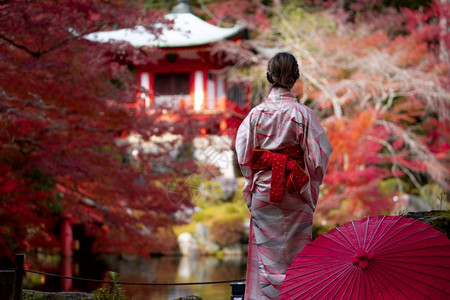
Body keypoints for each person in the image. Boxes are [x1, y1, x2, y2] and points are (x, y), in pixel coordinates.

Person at [235, 52, 333, 300]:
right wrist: (309, 179)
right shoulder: (303, 114)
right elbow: (319, 158)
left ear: (269, 77)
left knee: (265, 258)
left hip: (264, 192)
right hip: (295, 188)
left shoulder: (256, 115)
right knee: (297, 260)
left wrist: (252, 181)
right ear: (296, 77)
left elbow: (244, 155)